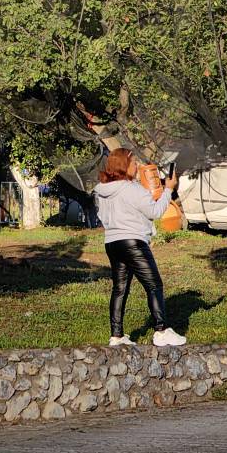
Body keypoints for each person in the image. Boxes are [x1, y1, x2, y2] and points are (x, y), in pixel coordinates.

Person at [94, 148, 184, 347]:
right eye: (134, 163)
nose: (137, 167)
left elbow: (101, 215)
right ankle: (161, 331)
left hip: (112, 242)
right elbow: (155, 211)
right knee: (154, 284)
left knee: (119, 289)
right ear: (124, 165)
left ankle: (116, 336)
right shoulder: (131, 188)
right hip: (133, 242)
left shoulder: (102, 190)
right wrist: (168, 188)